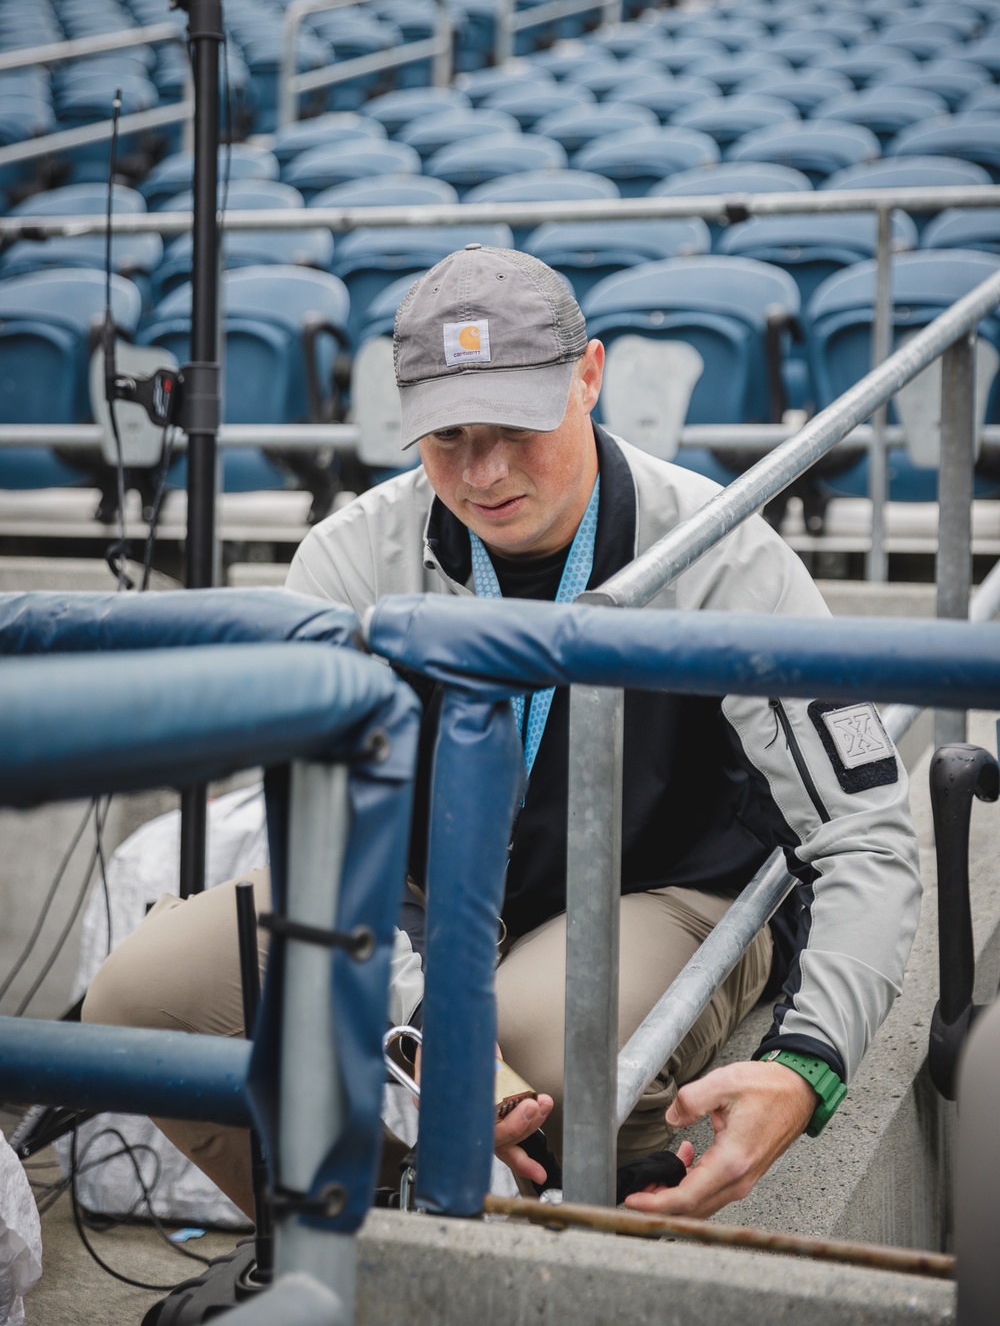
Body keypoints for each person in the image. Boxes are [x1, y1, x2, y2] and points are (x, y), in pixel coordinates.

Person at [83, 244, 920, 1221]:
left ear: (589, 375)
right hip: (418, 900)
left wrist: (807, 1062)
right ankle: (350, 1247)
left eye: (515, 426)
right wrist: (427, 1022)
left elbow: (866, 829)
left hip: (659, 886)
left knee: (539, 1043)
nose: (482, 473)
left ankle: (581, 1184)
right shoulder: (351, 556)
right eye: (445, 437)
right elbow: (318, 840)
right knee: (140, 995)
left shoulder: (717, 544)